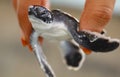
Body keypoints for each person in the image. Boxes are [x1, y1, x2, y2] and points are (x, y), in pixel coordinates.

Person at [12, 0, 116, 53]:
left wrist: (91, 41)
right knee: (33, 41)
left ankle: (73, 50)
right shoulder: (36, 27)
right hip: (47, 32)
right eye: (32, 13)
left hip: (69, 29)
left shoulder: (63, 21)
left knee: (84, 38)